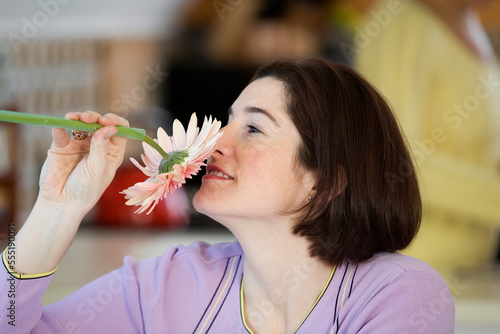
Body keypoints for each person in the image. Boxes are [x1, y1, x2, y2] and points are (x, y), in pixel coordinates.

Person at [1, 57, 454, 333]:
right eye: (228, 120)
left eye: (254, 128)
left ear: (329, 182)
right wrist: (57, 209)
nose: (216, 141)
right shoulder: (166, 284)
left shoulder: (397, 294)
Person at [354, 0, 500, 277]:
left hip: (471, 268)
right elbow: (398, 160)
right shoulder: (400, 24)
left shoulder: (471, 23)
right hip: (414, 269)